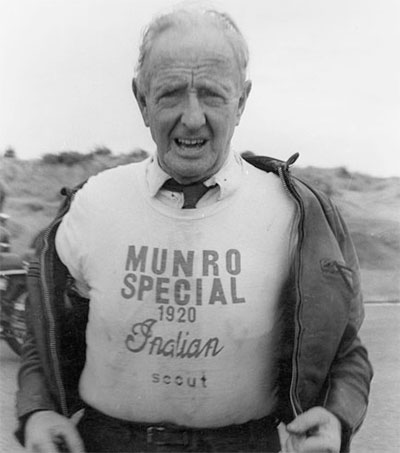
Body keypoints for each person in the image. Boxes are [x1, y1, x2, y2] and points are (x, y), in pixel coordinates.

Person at [16, 8, 372, 453]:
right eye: (169, 94)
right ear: (141, 100)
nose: (192, 117)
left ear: (241, 101)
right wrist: (39, 409)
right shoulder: (92, 205)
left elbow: (345, 349)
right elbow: (43, 335)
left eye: (211, 94)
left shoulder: (296, 214)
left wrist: (337, 415)